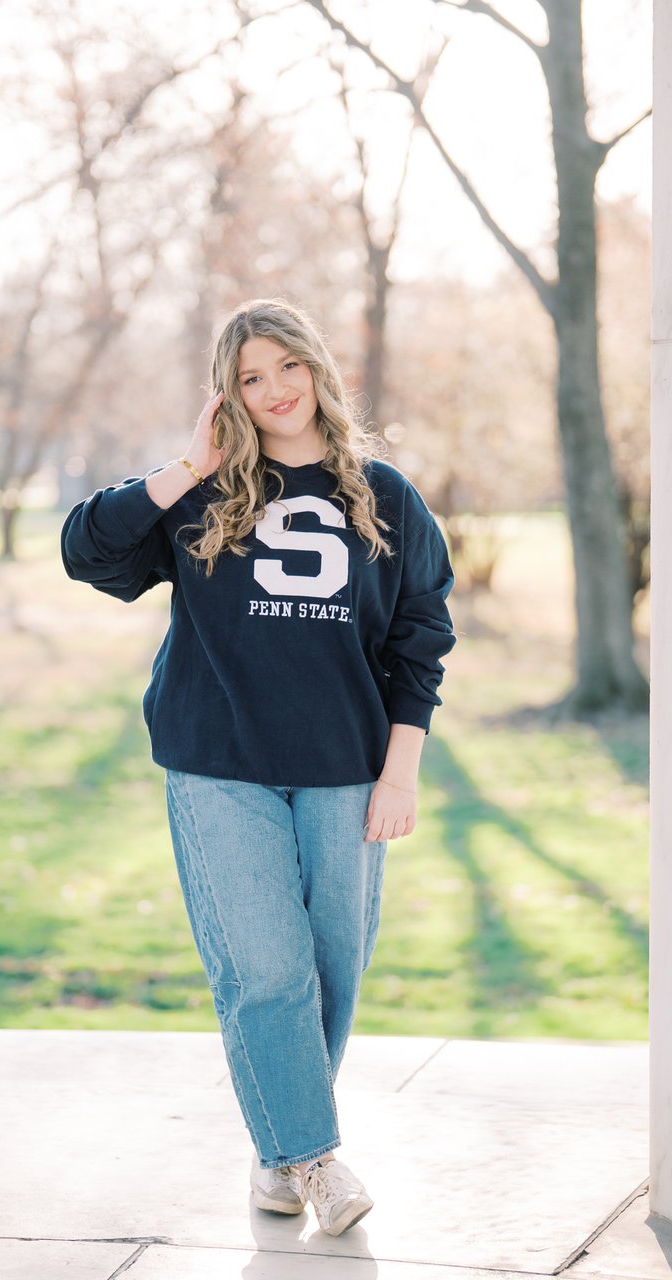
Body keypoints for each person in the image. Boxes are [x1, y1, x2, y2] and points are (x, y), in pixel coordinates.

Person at [59, 297, 456, 1238]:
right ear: (226, 396)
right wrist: (187, 468)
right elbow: (87, 552)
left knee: (333, 968)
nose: (274, 389)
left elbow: (421, 635)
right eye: (249, 377)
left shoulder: (386, 495)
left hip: (347, 768)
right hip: (219, 764)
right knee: (266, 971)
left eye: (287, 367)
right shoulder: (201, 493)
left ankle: (278, 1149)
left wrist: (401, 772)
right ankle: (315, 1161)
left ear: (317, 369)